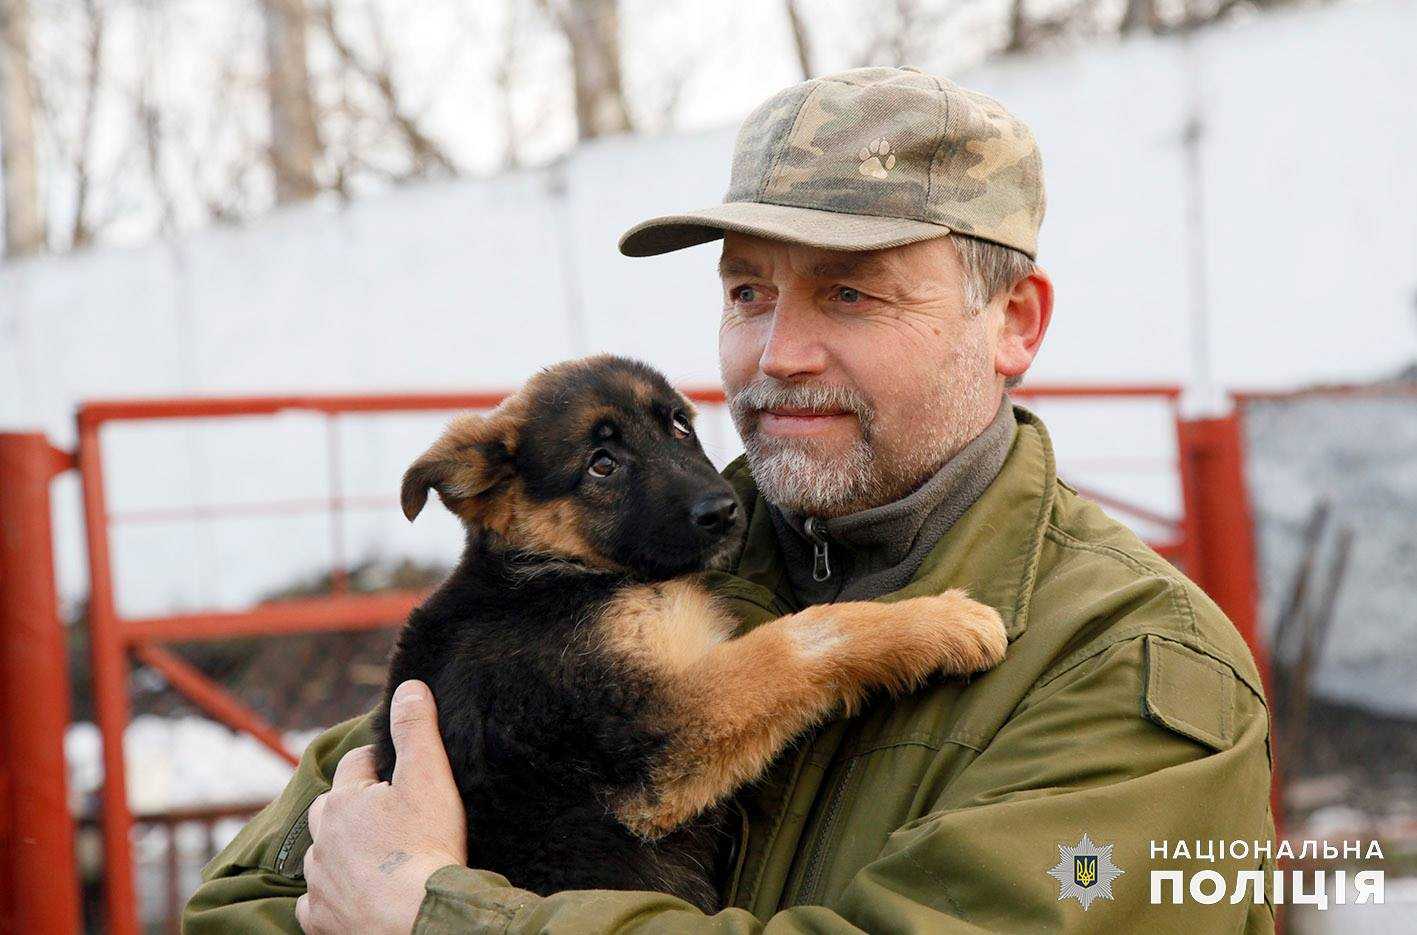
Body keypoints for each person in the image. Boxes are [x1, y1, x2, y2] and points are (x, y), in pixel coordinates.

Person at [185, 67, 1275, 933]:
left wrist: (439, 911)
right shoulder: (642, 568)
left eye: (852, 292)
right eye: (748, 290)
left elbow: (390, 891)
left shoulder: (1133, 675)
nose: (778, 353)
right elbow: (246, 902)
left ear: (1014, 324)